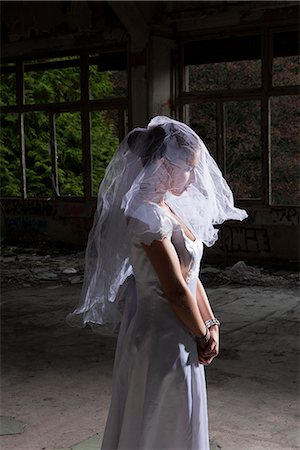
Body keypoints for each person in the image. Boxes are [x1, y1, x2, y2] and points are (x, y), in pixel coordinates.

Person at [66, 116, 248, 449]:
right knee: (161, 422)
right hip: (162, 337)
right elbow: (175, 290)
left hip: (184, 328)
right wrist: (202, 335)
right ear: (164, 165)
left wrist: (212, 323)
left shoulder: (168, 208)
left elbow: (191, 276)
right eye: (187, 169)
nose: (193, 178)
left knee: (179, 420)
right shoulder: (146, 215)